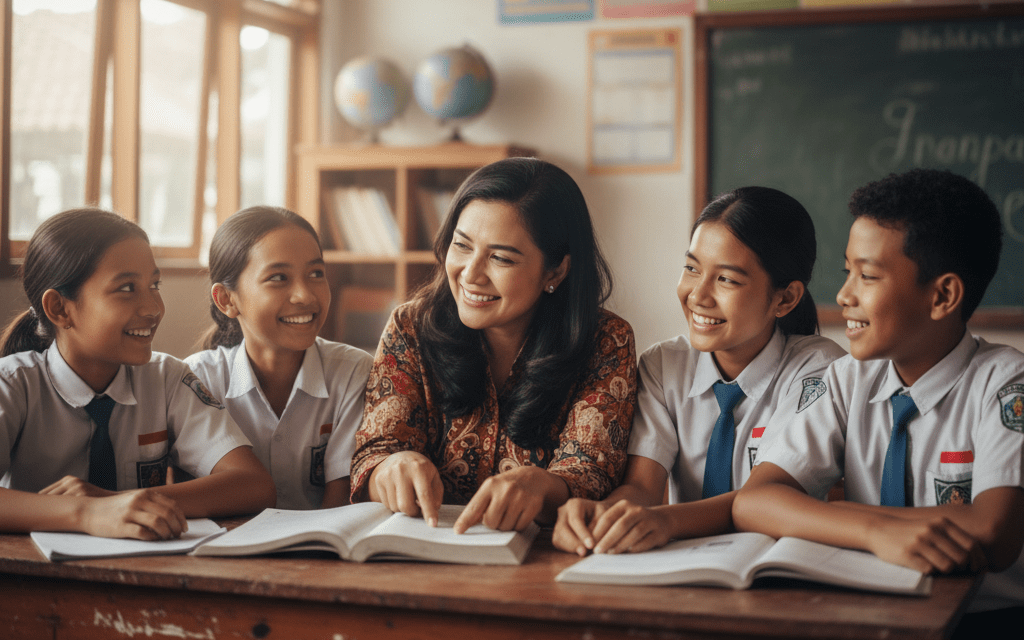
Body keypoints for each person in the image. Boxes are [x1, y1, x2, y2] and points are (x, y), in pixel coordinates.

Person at [734, 170, 1024, 640]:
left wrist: (838, 514)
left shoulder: (1005, 382)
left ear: (942, 296)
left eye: (867, 276)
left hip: (986, 627)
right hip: (868, 613)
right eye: (847, 271)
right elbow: (755, 501)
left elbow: (994, 532)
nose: (844, 295)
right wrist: (873, 530)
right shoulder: (847, 379)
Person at [350, 157, 636, 533]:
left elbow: (592, 472)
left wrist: (543, 487)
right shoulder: (411, 327)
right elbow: (375, 451)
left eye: (500, 258)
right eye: (462, 245)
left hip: (550, 554)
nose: (470, 274)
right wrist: (390, 467)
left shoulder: (606, 340)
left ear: (555, 271)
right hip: (424, 547)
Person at [554, 186, 844, 555]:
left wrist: (666, 521)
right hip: (684, 563)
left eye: (727, 279)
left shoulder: (819, 371)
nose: (698, 295)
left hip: (777, 565)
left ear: (785, 298)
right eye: (692, 268)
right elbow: (642, 489)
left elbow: (761, 500)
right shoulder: (664, 365)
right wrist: (603, 515)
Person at [0, 208, 275, 539]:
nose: (153, 308)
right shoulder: (13, 385)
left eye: (154, 284)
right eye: (127, 288)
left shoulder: (167, 379)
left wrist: (119, 502)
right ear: (60, 308)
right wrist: (86, 513)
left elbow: (253, 484)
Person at [187, 206, 372, 509]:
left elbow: (341, 501)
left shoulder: (352, 372)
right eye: (278, 278)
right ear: (227, 299)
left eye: (316, 274)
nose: (305, 295)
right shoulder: (198, 380)